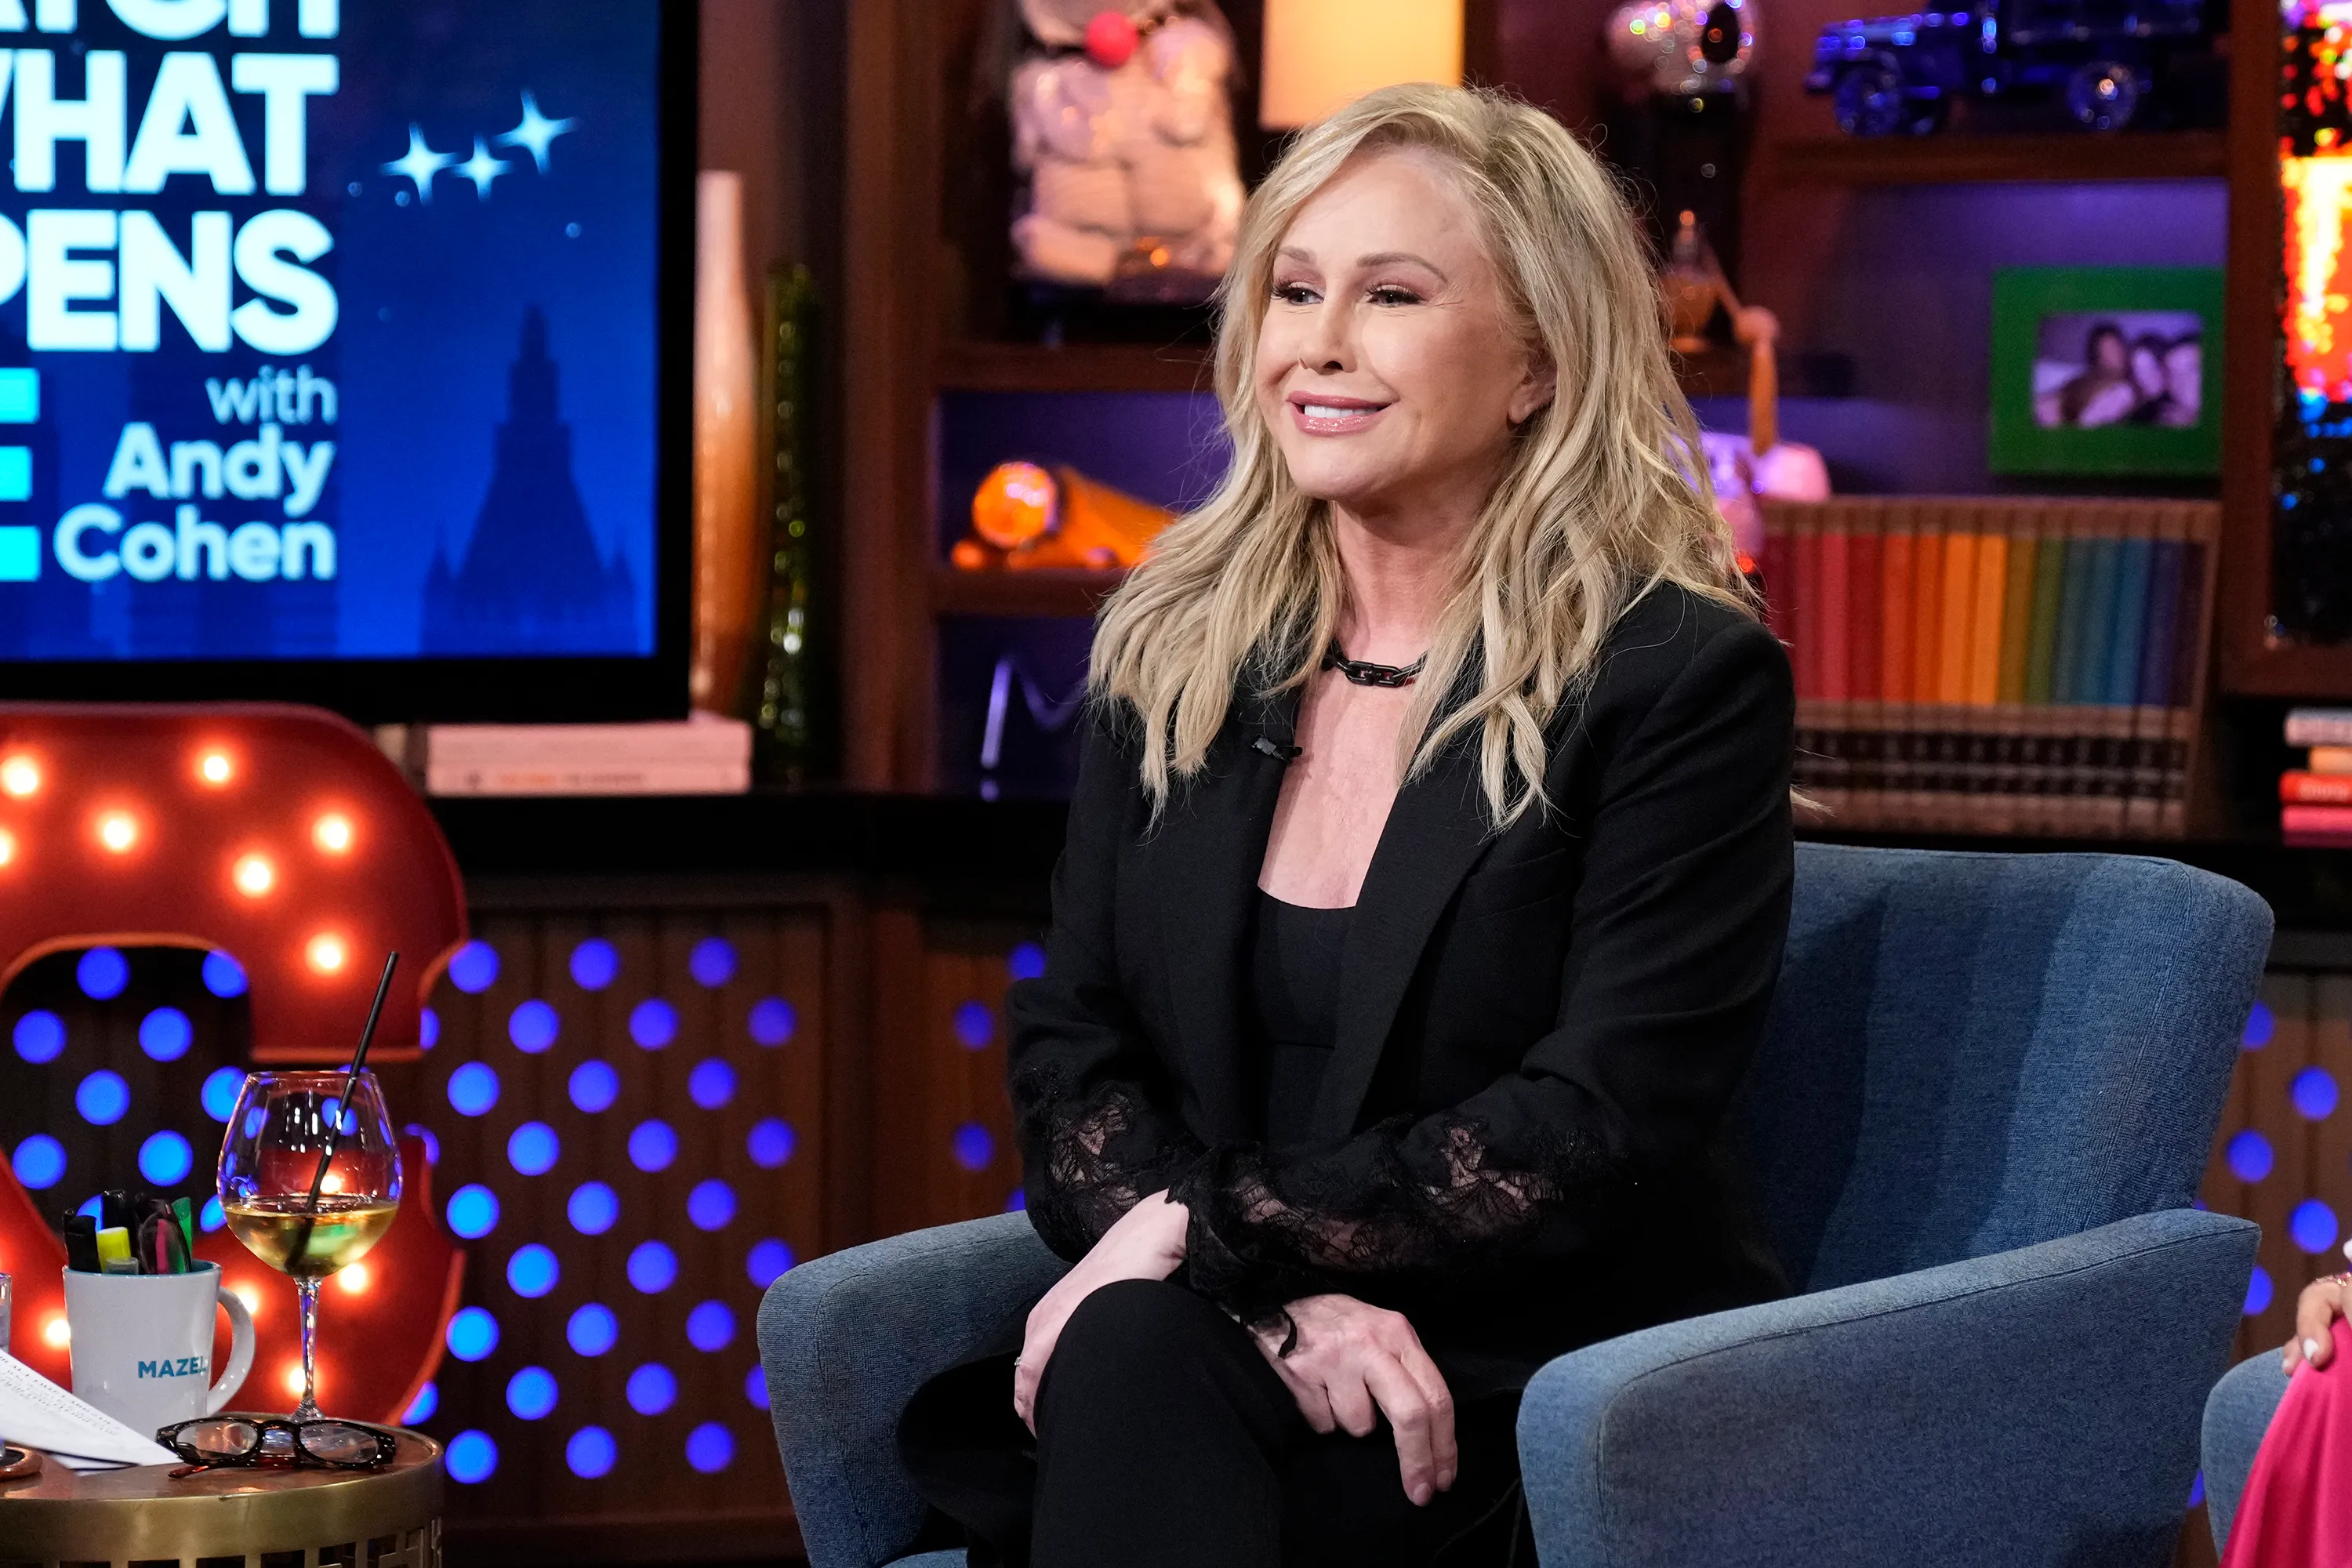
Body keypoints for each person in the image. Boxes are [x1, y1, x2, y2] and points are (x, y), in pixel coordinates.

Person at [895, 82, 1795, 1568]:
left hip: (1532, 1389)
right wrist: (1263, 1295)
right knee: (1136, 1371)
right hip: (1228, 1346)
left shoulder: (1675, 680)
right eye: (1293, 291)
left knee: (1127, 1376)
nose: (1316, 343)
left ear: (1537, 364)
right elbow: (1074, 1054)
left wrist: (1199, 1241)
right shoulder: (1177, 652)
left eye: (1391, 295)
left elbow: (1590, 1126)